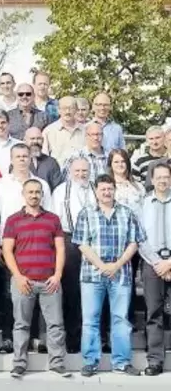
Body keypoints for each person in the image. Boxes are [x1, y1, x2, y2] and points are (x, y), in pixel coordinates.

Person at [72, 174, 143, 377]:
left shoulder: (127, 213)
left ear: (114, 190)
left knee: (121, 319)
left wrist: (117, 265)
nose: (106, 192)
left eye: (109, 188)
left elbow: (134, 243)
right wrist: (103, 265)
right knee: (90, 319)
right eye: (102, 189)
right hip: (92, 275)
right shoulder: (86, 213)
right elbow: (82, 244)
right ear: (96, 191)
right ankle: (90, 361)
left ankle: (121, 362)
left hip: (121, 275)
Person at [0, 144, 53, 353]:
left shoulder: (41, 184)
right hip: (9, 245)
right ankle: (8, 338)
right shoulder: (0, 184)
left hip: (37, 246)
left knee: (34, 292)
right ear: (11, 159)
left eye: (25, 156)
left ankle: (33, 337)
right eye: (18, 156)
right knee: (10, 293)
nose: (22, 159)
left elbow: (50, 215)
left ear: (30, 159)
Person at [2, 178, 70, 378]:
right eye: (30, 192)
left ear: (42, 195)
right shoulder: (13, 220)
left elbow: (60, 248)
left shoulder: (53, 219)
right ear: (23, 195)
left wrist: (57, 275)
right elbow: (7, 251)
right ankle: (19, 363)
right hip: (23, 281)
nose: (34, 195)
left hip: (50, 280)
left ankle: (57, 363)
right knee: (21, 324)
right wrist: (18, 277)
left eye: (37, 192)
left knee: (56, 324)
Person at [51, 157, 94, 353]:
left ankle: (95, 338)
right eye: (77, 171)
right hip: (69, 240)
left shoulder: (96, 188)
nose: (81, 174)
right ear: (70, 172)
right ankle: (72, 340)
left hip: (95, 243)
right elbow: (54, 221)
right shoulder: (61, 191)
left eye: (84, 171)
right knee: (71, 291)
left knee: (94, 289)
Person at [138, 163, 171, 376]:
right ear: (152, 179)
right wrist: (158, 263)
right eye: (158, 177)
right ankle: (156, 361)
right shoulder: (143, 204)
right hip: (152, 264)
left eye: (166, 177)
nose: (162, 180)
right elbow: (139, 237)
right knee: (154, 313)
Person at [42, 96, 86, 167]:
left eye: (71, 108)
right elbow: (44, 158)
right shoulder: (49, 131)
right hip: (58, 175)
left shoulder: (85, 131)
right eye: (64, 108)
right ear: (58, 110)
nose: (67, 112)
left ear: (76, 110)